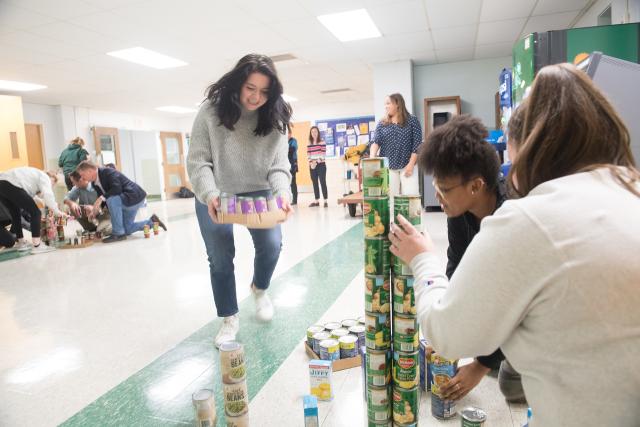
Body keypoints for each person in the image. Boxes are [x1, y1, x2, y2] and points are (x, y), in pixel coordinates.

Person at [389, 63, 640, 426]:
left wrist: (421, 260)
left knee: (507, 380)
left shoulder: (525, 218)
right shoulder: (626, 188)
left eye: (512, 155)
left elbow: (447, 334)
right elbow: (459, 268)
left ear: (530, 149)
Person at [187, 53, 293, 348]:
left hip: (258, 190)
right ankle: (229, 317)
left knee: (272, 245)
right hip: (215, 193)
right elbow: (198, 162)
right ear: (237, 83)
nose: (256, 97)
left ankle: (259, 288)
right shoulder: (210, 112)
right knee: (220, 257)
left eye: (264, 91)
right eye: (250, 88)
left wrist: (283, 194)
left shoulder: (275, 116)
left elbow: (279, 167)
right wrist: (209, 195)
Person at [419, 113, 525, 403]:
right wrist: (447, 333)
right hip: (498, 302)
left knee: (510, 387)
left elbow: (517, 302)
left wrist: (480, 365)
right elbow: (458, 272)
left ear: (476, 186)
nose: (438, 196)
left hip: (533, 312)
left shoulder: (515, 216)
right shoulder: (459, 211)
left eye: (445, 189)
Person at [76, 161, 166, 243]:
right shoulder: (94, 183)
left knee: (111, 198)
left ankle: (118, 233)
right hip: (126, 201)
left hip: (134, 197)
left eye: (82, 175)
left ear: (90, 171)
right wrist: (95, 211)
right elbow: (104, 201)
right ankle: (152, 222)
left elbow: (116, 189)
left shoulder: (107, 172)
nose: (82, 178)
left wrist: (100, 199)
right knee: (127, 229)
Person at [0, 167, 66, 254]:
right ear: (50, 178)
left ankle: (21, 243)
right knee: (36, 212)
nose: (51, 186)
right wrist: (57, 211)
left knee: (15, 214)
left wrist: (45, 203)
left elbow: (31, 196)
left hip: (2, 184)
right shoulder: (44, 177)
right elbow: (47, 194)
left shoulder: (33, 177)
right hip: (11, 183)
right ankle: (37, 246)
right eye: (52, 184)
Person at [370, 93, 423, 196]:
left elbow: (417, 145)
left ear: (397, 104)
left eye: (388, 103)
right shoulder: (382, 123)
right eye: (385, 104)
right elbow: (375, 141)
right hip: (388, 168)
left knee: (411, 197)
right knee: (389, 199)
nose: (385, 106)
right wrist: (373, 158)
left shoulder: (412, 120)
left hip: (408, 165)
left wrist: (411, 164)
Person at [64, 171, 112, 235]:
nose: (72, 184)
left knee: (104, 231)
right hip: (89, 215)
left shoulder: (96, 186)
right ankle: (90, 228)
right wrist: (72, 204)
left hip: (103, 214)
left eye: (73, 182)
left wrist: (94, 208)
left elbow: (108, 205)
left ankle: (110, 225)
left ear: (80, 180)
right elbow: (66, 199)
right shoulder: (77, 188)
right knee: (72, 208)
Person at [307, 126, 328, 207]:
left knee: (323, 182)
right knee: (315, 183)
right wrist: (311, 163)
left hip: (321, 165)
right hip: (312, 165)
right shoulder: (309, 143)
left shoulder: (322, 142)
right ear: (311, 133)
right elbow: (308, 154)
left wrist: (315, 162)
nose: (314, 133)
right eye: (312, 132)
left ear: (318, 132)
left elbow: (323, 154)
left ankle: (325, 200)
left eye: (315, 131)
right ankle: (317, 201)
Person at [287, 125, 298, 205]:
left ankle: (295, 200)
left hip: (292, 164)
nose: (287, 134)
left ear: (290, 133)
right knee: (286, 183)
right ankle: (287, 199)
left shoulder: (293, 140)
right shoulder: (282, 141)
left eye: (289, 133)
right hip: (284, 164)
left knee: (293, 183)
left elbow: (293, 149)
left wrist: (285, 148)